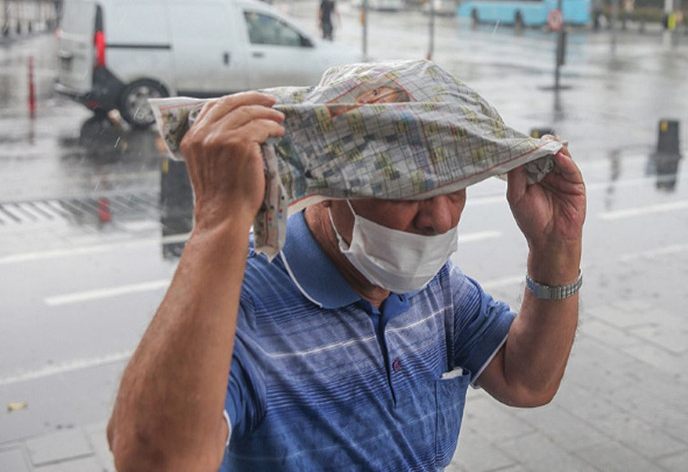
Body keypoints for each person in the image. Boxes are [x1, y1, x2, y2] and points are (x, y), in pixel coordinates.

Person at [106, 82, 586, 470]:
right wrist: (218, 222)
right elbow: (152, 459)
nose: (439, 218)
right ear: (329, 186)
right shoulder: (241, 305)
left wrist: (556, 247)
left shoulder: (436, 285)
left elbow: (525, 381)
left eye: (455, 190)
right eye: (406, 191)